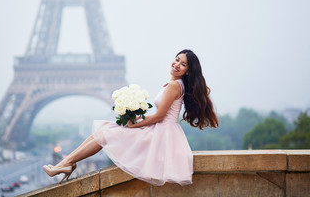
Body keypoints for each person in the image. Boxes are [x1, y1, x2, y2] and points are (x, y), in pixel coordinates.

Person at [43, 49, 218, 185]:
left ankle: (64, 164)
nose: (177, 64)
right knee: (103, 129)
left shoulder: (174, 85)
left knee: (105, 133)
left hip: (160, 132)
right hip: (160, 130)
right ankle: (65, 163)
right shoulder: (175, 84)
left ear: (188, 71)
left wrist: (134, 125)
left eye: (183, 64)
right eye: (177, 59)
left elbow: (159, 117)